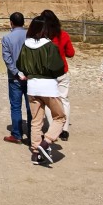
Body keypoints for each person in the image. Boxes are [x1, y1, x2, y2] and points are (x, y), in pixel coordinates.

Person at [16, 16, 66, 165]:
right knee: (60, 117)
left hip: (32, 87)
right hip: (49, 87)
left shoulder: (26, 45)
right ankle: (46, 142)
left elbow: (20, 65)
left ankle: (36, 153)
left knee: (36, 121)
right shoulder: (50, 46)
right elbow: (58, 68)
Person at [41, 10, 75, 141]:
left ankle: (53, 128)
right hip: (62, 71)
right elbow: (71, 53)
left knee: (50, 103)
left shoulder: (41, 37)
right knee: (64, 100)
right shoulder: (64, 35)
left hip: (47, 74)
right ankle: (64, 129)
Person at [1, 12, 32, 144]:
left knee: (15, 106)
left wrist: (16, 72)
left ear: (11, 23)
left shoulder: (7, 38)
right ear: (23, 22)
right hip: (30, 77)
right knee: (31, 106)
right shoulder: (30, 36)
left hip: (14, 78)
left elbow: (7, 59)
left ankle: (17, 134)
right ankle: (32, 133)